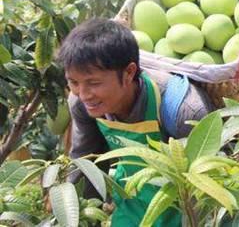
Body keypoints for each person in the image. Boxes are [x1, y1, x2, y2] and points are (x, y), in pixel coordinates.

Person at [58, 18, 214, 227]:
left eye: (94, 83)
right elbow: (86, 163)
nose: (83, 94)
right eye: (74, 82)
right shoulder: (82, 104)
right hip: (132, 204)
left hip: (183, 210)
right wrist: (77, 218)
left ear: (129, 72)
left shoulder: (184, 110)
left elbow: (208, 190)